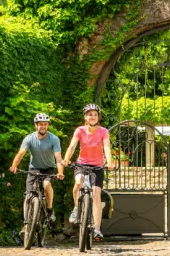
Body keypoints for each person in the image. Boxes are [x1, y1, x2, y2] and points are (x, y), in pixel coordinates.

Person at [62, 103, 115, 241]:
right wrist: (66, 159)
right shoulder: (80, 130)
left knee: (96, 195)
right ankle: (76, 208)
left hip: (97, 167)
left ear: (98, 117)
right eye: (90, 114)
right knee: (78, 183)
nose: (92, 117)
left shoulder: (103, 131)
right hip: (82, 164)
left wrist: (109, 162)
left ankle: (97, 229)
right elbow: (72, 146)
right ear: (85, 117)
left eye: (95, 114)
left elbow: (107, 148)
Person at [9, 113, 65, 223]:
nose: (43, 126)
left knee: (46, 184)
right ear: (36, 125)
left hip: (48, 168)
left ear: (48, 125)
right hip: (34, 169)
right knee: (28, 195)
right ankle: (26, 224)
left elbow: (58, 158)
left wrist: (60, 172)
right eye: (40, 124)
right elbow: (21, 154)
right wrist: (14, 166)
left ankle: (49, 209)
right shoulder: (29, 138)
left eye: (45, 124)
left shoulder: (54, 139)